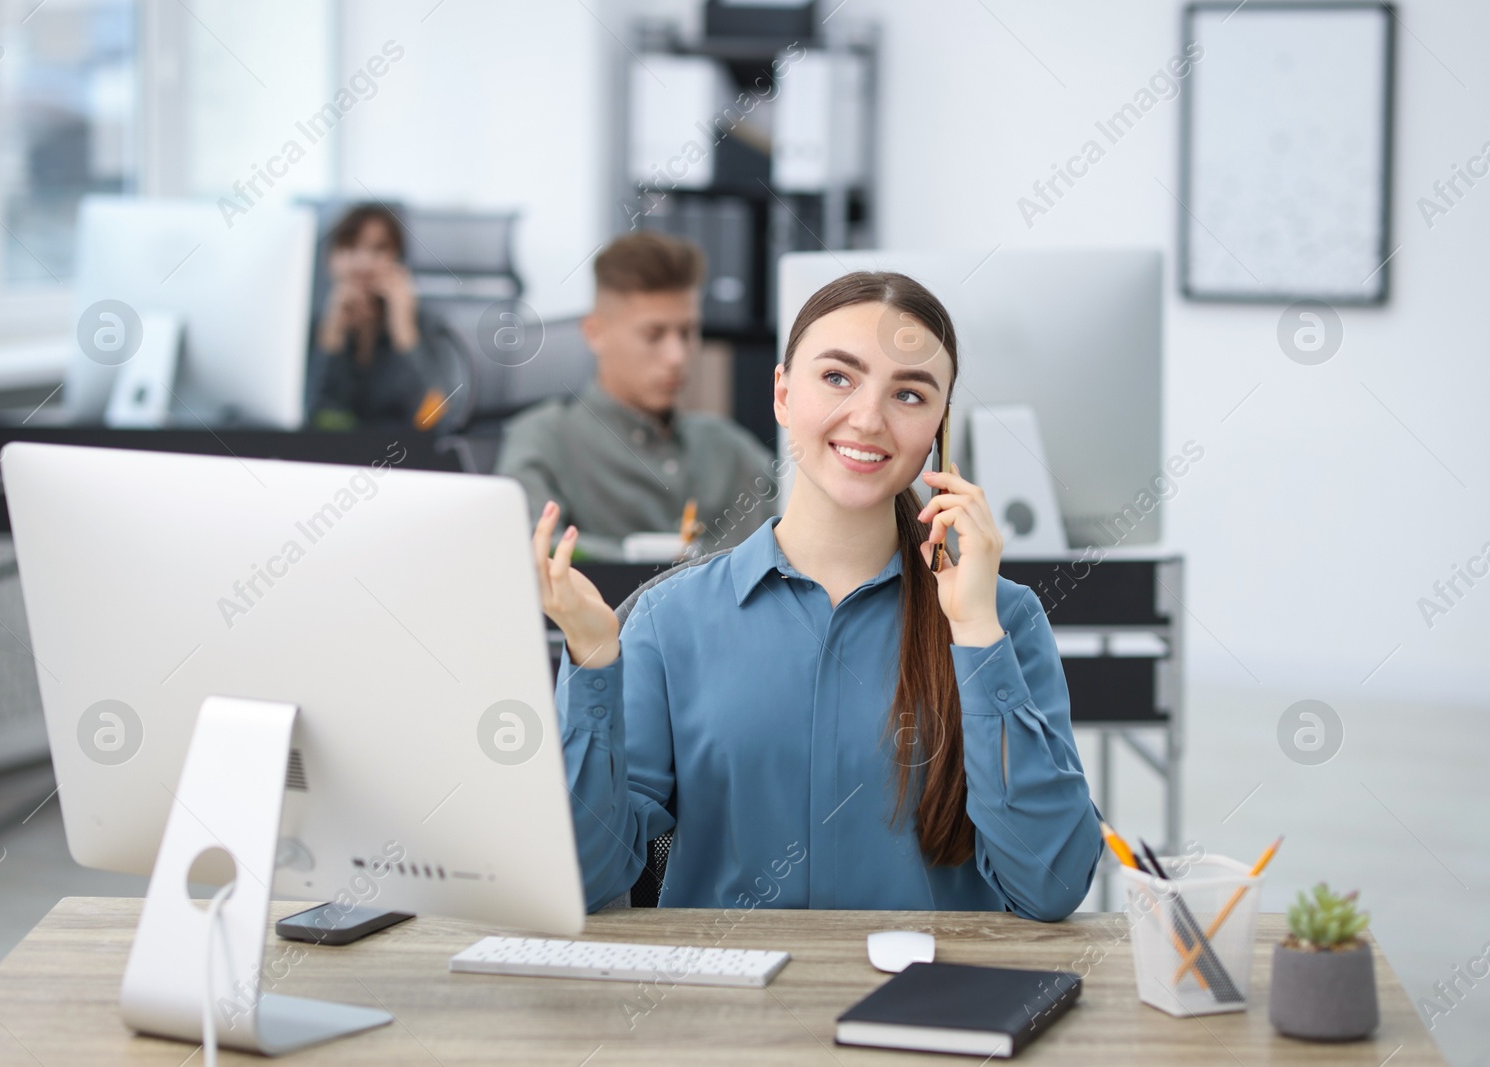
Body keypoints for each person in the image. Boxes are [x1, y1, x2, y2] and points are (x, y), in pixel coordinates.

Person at [534, 270, 1102, 917]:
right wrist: (591, 662)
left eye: (909, 394)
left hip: (931, 1003)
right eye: (838, 377)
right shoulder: (670, 619)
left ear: (941, 428)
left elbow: (1050, 886)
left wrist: (975, 634)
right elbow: (585, 877)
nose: (867, 418)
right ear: (781, 393)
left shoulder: (1004, 620)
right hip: (723, 1004)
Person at [495, 231, 777, 559]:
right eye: (653, 335)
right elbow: (531, 550)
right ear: (595, 333)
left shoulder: (726, 446)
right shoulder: (546, 439)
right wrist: (647, 556)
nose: (677, 356)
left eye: (687, 333)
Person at [307, 204, 451, 430]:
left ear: (399, 259)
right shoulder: (310, 329)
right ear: (329, 259)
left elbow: (435, 418)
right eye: (349, 247)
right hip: (331, 459)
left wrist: (404, 332)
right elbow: (306, 418)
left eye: (378, 249)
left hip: (400, 458)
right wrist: (331, 335)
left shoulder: (426, 325)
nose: (362, 262)